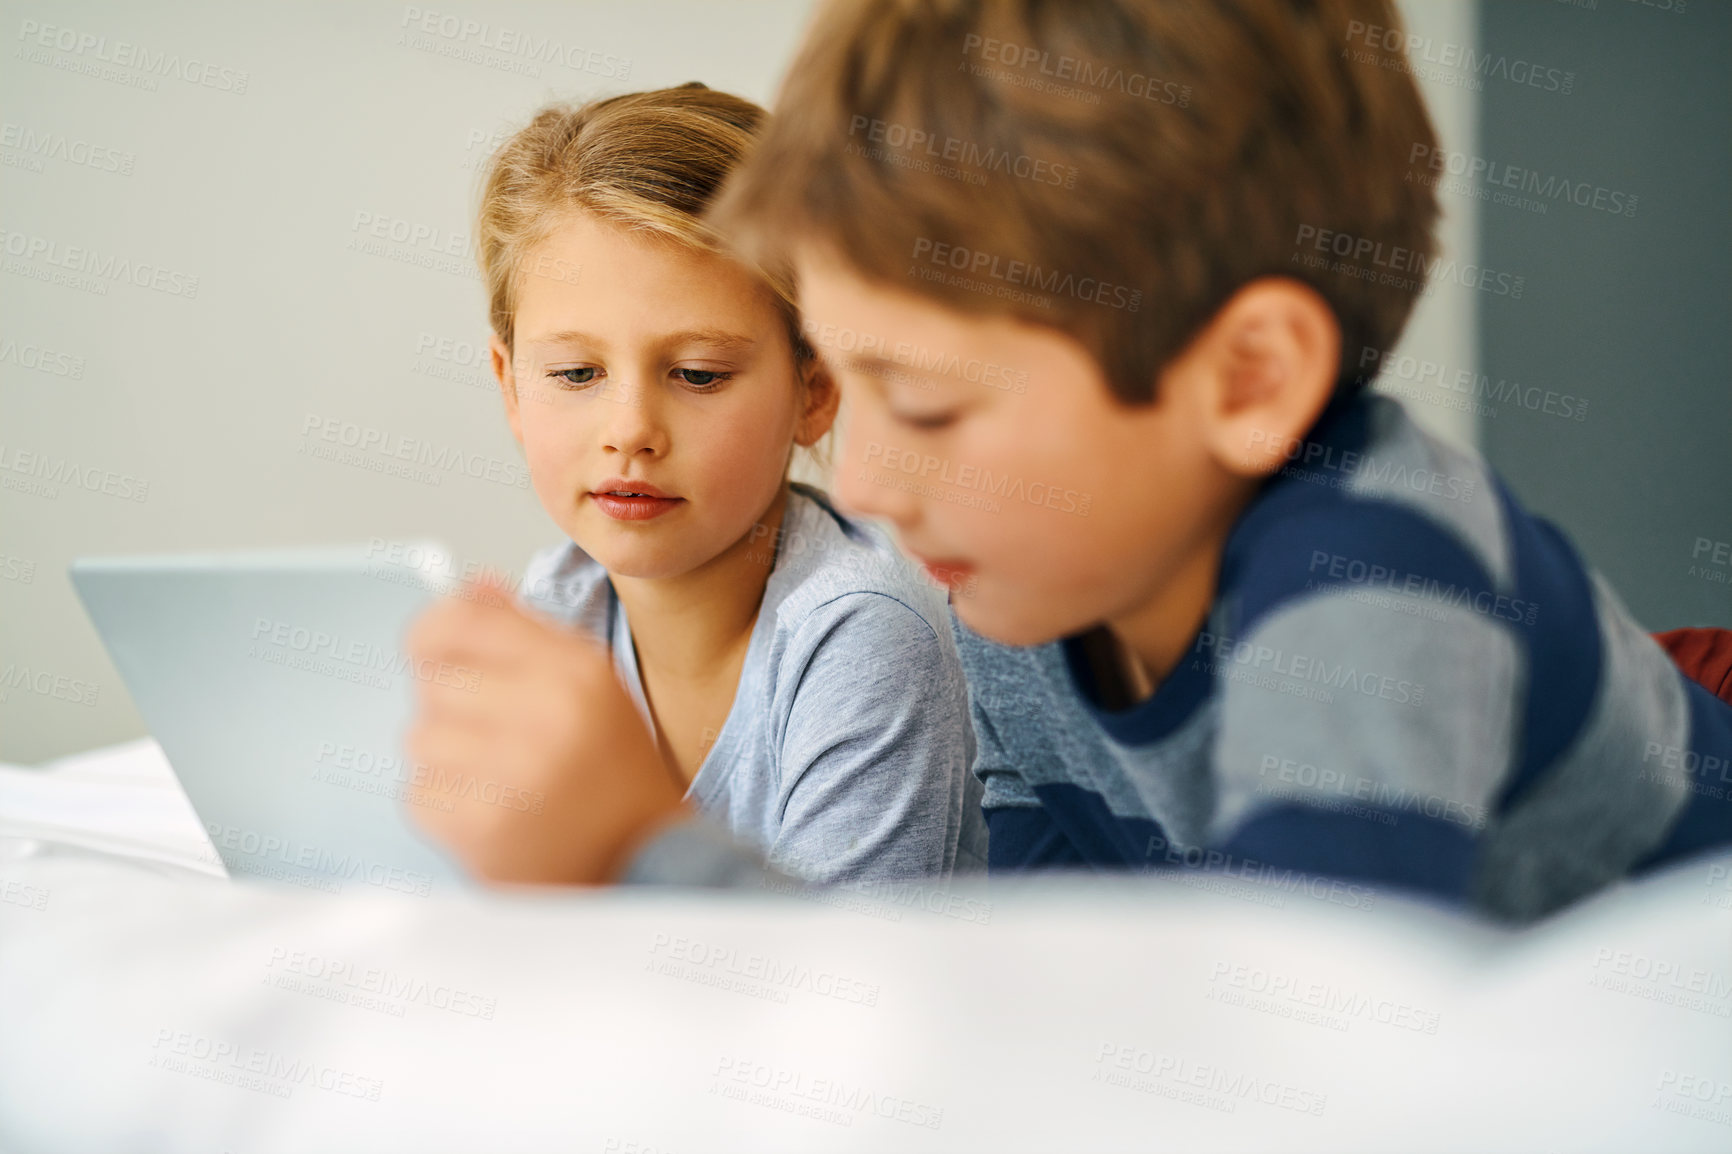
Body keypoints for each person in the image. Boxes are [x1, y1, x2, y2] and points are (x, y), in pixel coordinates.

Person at [409, 0, 1731, 923]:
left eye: (925, 405)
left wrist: (646, 850)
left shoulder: (1371, 591)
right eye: (853, 390)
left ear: (1249, 380)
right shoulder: (1020, 597)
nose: (858, 486)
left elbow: (1319, 1069)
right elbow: (1040, 990)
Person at [403, 84, 984, 885]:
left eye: (699, 374)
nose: (630, 428)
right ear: (510, 387)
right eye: (576, 372)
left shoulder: (862, 638)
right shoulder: (557, 608)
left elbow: (845, 991)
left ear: (814, 390)